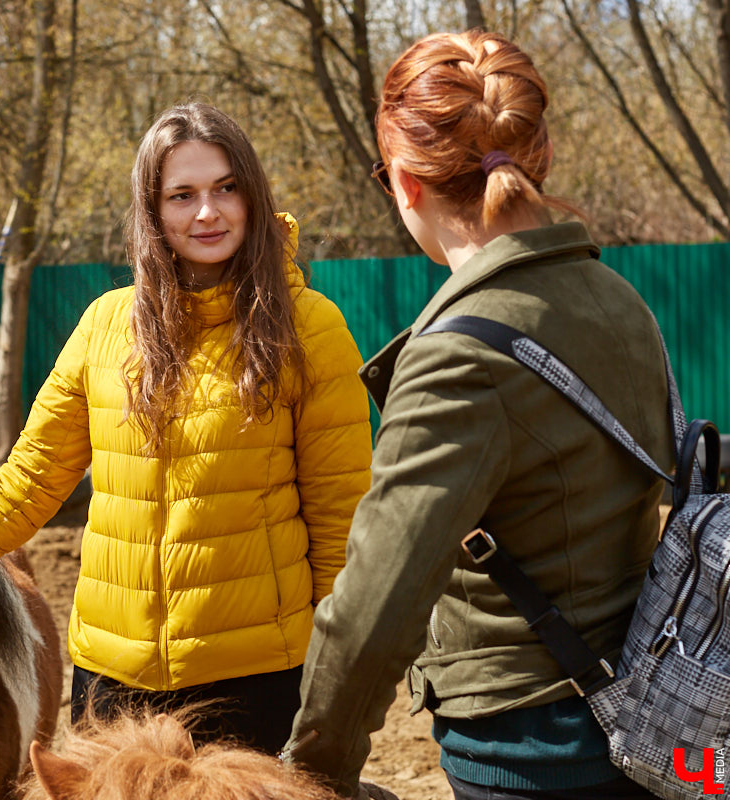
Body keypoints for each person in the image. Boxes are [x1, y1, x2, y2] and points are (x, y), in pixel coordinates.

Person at [0, 102, 373, 755]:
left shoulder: (310, 328)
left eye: (226, 188)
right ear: (152, 211)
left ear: (253, 197)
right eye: (182, 195)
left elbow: (341, 525)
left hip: (257, 683)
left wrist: (338, 686)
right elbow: (26, 486)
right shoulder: (104, 326)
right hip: (113, 686)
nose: (208, 212)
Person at [282, 30, 672, 800]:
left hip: (532, 750)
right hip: (650, 706)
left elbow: (374, 607)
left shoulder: (457, 355)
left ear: (404, 182)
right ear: (538, 156)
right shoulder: (618, 299)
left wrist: (311, 774)